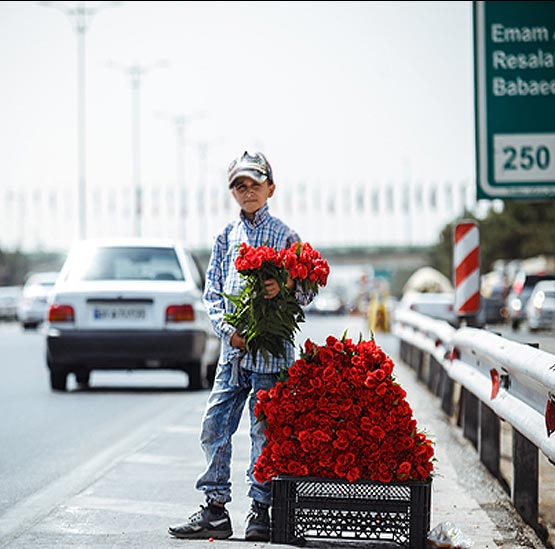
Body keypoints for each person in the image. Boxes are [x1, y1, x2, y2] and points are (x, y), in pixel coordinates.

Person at [168, 151, 313, 542]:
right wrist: (226, 332)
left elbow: (307, 292)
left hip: (271, 354)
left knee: (263, 433)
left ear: (271, 188)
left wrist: (285, 286)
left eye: (254, 184)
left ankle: (260, 510)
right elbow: (212, 293)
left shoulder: (287, 236)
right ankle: (215, 509)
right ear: (232, 192)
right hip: (233, 354)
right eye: (239, 186)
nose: (247, 192)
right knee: (214, 427)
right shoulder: (225, 237)